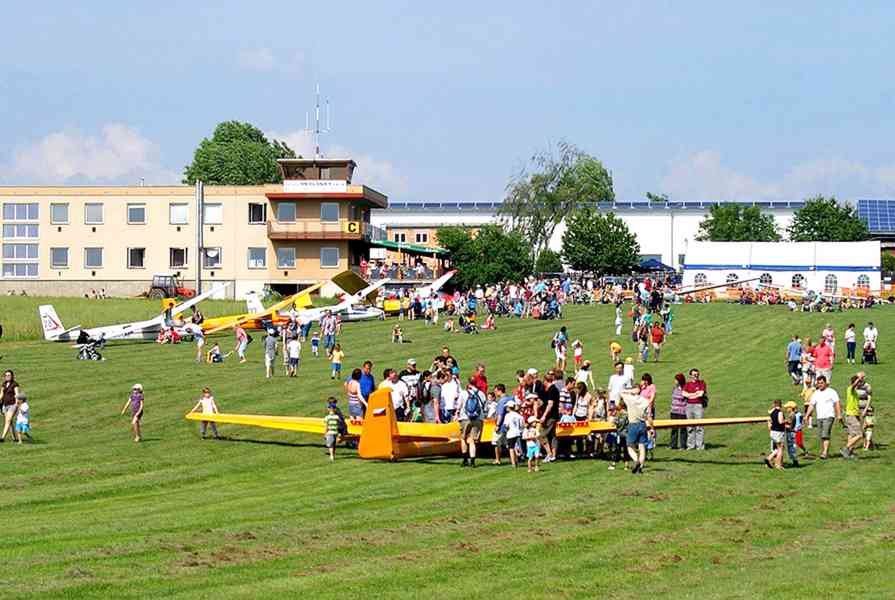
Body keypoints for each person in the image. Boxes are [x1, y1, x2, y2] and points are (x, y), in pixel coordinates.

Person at [803, 375, 840, 459]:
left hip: (829, 416)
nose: (820, 385)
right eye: (818, 383)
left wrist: (839, 414)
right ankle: (824, 451)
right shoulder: (816, 393)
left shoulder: (831, 392)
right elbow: (812, 405)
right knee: (821, 435)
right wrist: (806, 416)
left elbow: (837, 403)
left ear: (825, 383)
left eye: (822, 383)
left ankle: (824, 452)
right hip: (820, 417)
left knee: (825, 434)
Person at [621, 386, 653, 474]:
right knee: (642, 447)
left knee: (629, 447)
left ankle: (637, 461)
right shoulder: (645, 401)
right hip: (642, 424)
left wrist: (630, 391)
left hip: (633, 425)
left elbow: (621, 392)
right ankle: (640, 467)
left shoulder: (630, 399)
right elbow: (649, 416)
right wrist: (651, 428)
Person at [458, 377, 485, 467]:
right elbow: (484, 405)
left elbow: (459, 406)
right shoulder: (481, 394)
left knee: (463, 438)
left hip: (465, 418)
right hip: (477, 418)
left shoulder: (464, 393)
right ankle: (473, 461)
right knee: (472, 440)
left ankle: (465, 459)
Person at [841, 373, 868, 460]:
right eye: (859, 382)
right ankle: (845, 449)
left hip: (853, 415)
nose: (860, 383)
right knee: (859, 435)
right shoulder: (850, 389)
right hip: (851, 415)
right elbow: (853, 385)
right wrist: (859, 378)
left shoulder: (854, 392)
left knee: (852, 435)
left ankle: (849, 452)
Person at [682, 368, 707, 450]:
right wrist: (694, 394)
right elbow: (684, 394)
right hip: (689, 406)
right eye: (694, 375)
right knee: (690, 426)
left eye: (697, 374)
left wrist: (690, 395)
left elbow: (701, 394)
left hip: (698, 406)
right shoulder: (687, 384)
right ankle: (690, 445)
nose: (696, 376)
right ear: (690, 376)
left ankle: (700, 446)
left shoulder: (702, 383)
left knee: (699, 426)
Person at [669, 373, 688, 450]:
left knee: (683, 429)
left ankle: (683, 445)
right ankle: (673, 445)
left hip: (682, 411)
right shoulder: (674, 388)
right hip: (674, 411)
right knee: (674, 429)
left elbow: (683, 397)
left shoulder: (685, 388)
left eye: (676, 380)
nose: (675, 381)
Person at [765, 400, 786, 470]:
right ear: (780, 405)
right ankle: (778, 465)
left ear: (774, 404)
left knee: (777, 448)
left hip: (772, 432)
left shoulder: (772, 412)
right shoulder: (780, 412)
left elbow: (770, 421)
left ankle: (769, 458)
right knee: (780, 449)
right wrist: (786, 421)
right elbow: (780, 421)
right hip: (779, 432)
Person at [503, 401, 524, 468]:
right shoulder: (519, 415)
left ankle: (513, 463)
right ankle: (517, 460)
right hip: (518, 432)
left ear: (509, 407)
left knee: (511, 448)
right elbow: (522, 425)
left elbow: (506, 425)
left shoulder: (508, 415)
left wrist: (506, 429)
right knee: (516, 446)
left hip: (510, 433)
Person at [1, 370, 20, 442]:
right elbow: (1, 394)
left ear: (12, 376)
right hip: (5, 405)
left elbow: (17, 394)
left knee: (8, 420)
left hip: (13, 405)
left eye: (9, 375)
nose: (7, 376)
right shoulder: (4, 384)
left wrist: (17, 404)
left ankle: (2, 438)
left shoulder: (15, 384)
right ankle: (14, 438)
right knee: (10, 422)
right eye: (6, 375)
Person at [783, 401, 801, 466]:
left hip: (791, 432)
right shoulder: (792, 414)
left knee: (791, 447)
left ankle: (795, 461)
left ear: (791, 408)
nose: (786, 409)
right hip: (791, 432)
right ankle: (794, 461)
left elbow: (790, 425)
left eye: (787, 408)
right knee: (791, 447)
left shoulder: (792, 415)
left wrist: (782, 425)